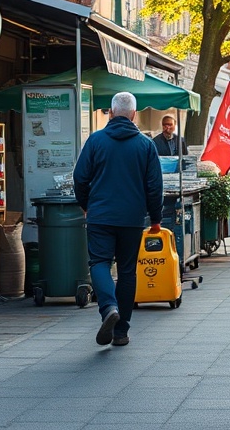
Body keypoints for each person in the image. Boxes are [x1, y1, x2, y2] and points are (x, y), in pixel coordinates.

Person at [74, 91, 163, 348]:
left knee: (99, 262)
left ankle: (108, 308)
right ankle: (121, 331)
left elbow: (80, 177)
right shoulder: (146, 145)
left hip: (100, 215)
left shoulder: (95, 140)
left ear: (111, 113)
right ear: (134, 114)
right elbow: (154, 186)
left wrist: (86, 205)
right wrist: (155, 218)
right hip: (132, 219)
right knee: (126, 271)